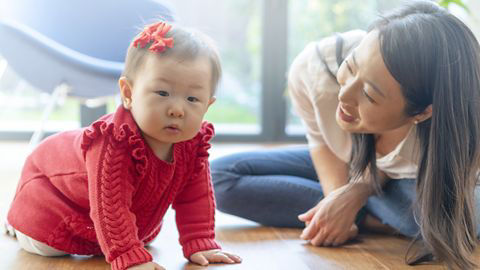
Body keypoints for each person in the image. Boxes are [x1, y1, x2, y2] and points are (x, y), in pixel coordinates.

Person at [211, 1, 480, 269]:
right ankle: (384, 221)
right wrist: (338, 199)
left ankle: (394, 219)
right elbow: (321, 142)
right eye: (351, 67)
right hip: (353, 165)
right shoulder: (316, 67)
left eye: (369, 95)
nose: (345, 95)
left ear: (421, 113)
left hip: (421, 176)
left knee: (453, 215)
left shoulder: (455, 131)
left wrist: (358, 193)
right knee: (218, 179)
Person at [5, 21, 241, 270]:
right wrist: (128, 255)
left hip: (117, 220)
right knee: (46, 245)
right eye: (162, 93)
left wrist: (201, 241)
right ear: (128, 93)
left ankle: (117, 241)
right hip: (53, 201)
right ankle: (17, 226)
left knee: (144, 238)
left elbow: (196, 196)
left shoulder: (192, 143)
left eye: (193, 99)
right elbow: (110, 205)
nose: (177, 110)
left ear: (207, 105)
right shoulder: (114, 142)